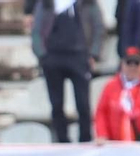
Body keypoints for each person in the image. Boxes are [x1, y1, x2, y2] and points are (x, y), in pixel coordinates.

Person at [31, 0, 104, 143]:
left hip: (79, 57)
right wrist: (42, 55)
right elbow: (37, 29)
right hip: (53, 57)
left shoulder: (88, 4)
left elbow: (98, 27)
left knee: (83, 104)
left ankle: (85, 139)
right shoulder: (47, 4)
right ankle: (62, 140)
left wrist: (94, 54)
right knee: (57, 104)